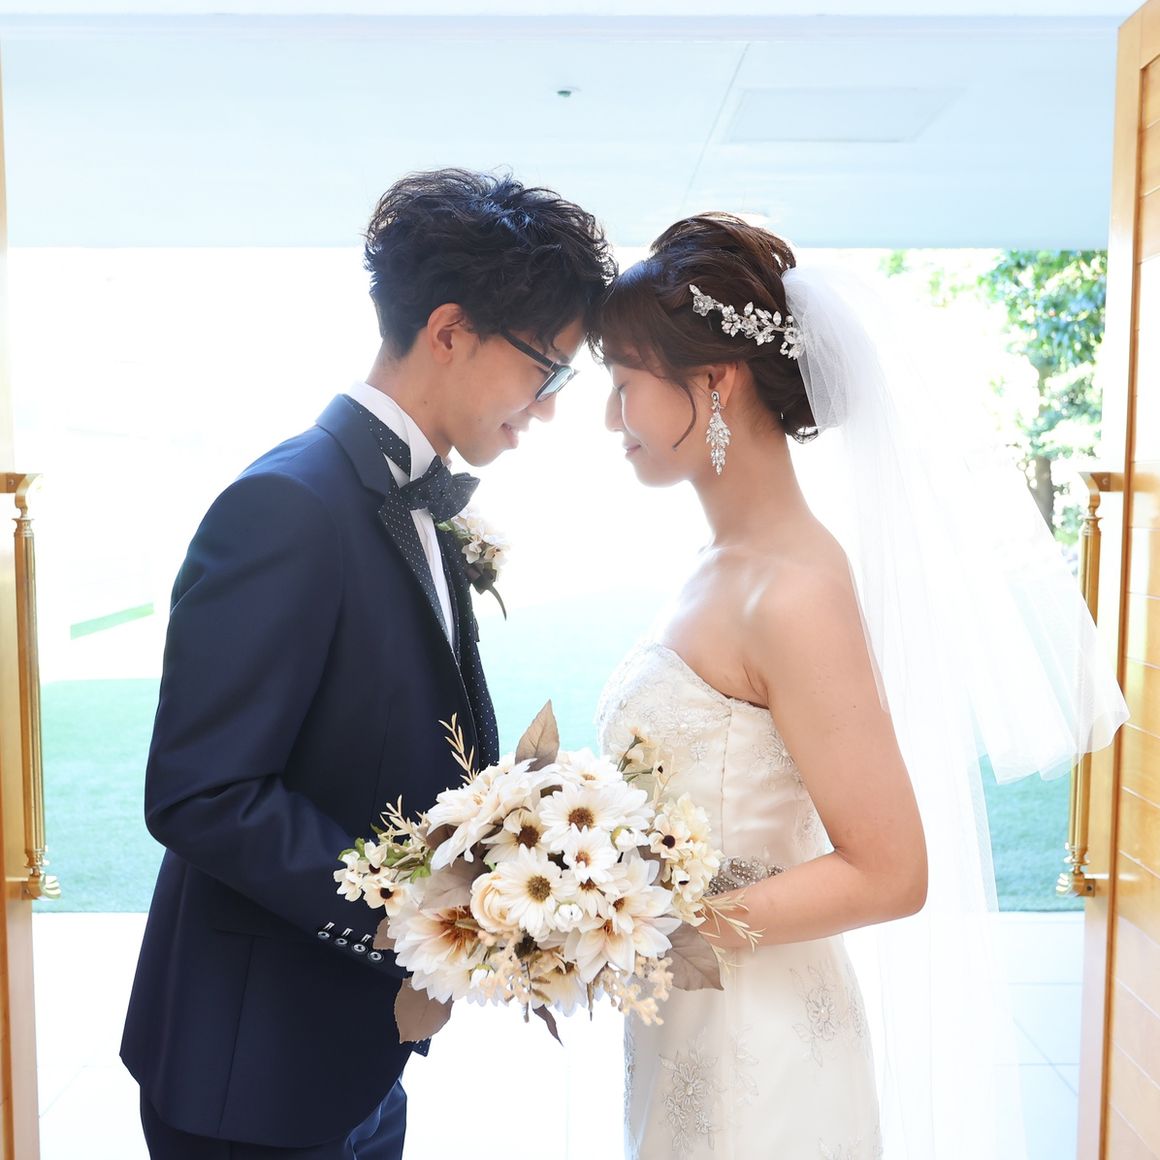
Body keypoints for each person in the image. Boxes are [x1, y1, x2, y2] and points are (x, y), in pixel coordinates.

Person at [592, 213, 1127, 1159]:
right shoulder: (721, 562)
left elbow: (891, 871)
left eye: (623, 383)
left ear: (714, 382)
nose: (610, 419)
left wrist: (652, 919)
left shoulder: (793, 590)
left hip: (760, 1060)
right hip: (688, 1027)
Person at [121, 167, 614, 1159]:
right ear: (449, 331)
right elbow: (203, 793)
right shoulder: (287, 506)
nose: (549, 408)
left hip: (354, 1054)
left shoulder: (413, 496)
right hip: (250, 1076)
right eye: (547, 371)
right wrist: (420, 915)